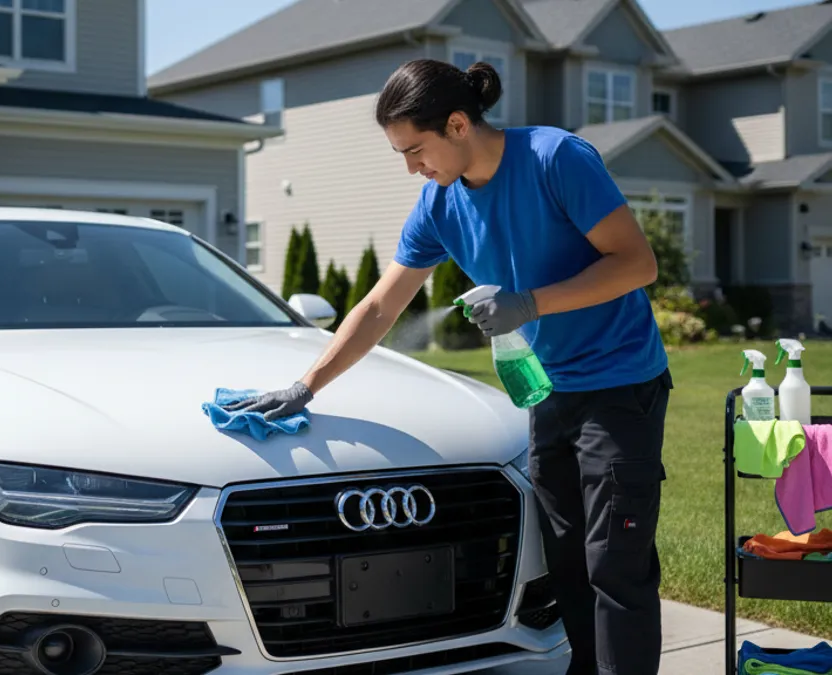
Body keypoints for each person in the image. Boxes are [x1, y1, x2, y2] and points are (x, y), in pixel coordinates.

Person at [226, 58, 672, 675]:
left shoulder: (555, 159)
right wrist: (306, 385)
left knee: (614, 563)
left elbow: (636, 264)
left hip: (621, 385)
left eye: (415, 150)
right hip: (550, 392)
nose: (412, 167)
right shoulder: (440, 204)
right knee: (568, 559)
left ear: (459, 124)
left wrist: (528, 303)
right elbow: (382, 304)